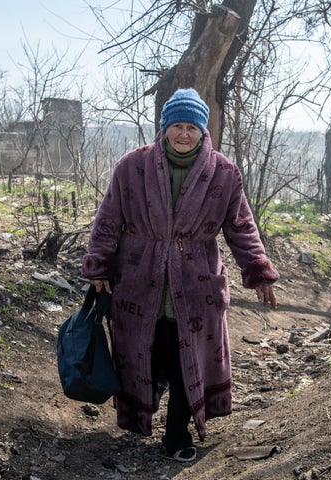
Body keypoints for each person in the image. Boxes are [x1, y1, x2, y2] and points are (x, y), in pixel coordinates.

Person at [81, 88, 279, 462]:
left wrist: (258, 271)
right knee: (146, 354)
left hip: (197, 283)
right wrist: (99, 264)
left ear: (204, 132)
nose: (184, 134)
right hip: (140, 280)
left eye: (192, 127)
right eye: (177, 126)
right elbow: (108, 220)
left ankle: (177, 436)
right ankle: (149, 395)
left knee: (188, 360)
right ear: (164, 127)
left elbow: (241, 226)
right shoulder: (131, 167)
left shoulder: (224, 172)